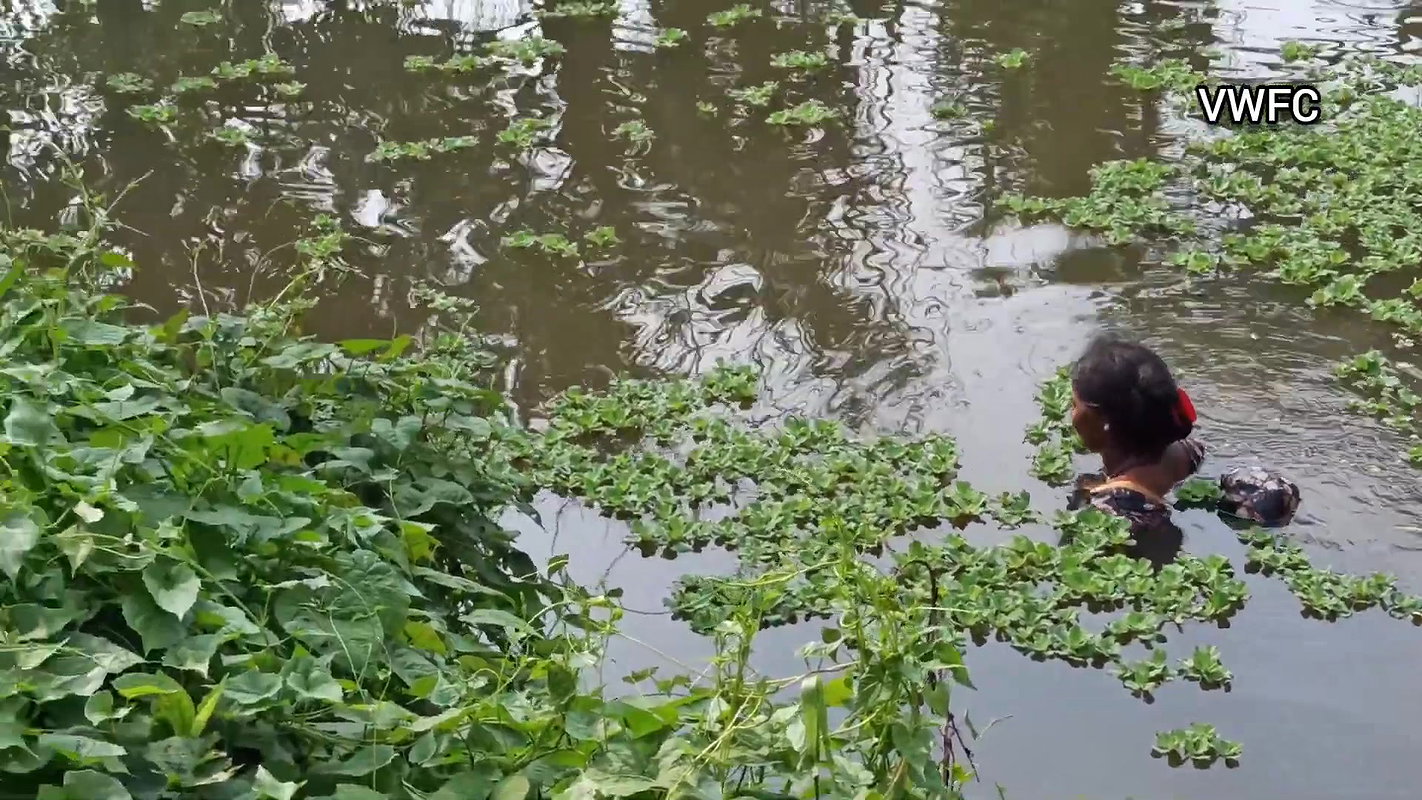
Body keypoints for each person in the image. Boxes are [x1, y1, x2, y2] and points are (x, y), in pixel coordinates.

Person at [1063, 334, 1300, 549]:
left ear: (1104, 422)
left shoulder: (1108, 514)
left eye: (1075, 405)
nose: (1071, 414)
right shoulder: (1192, 452)